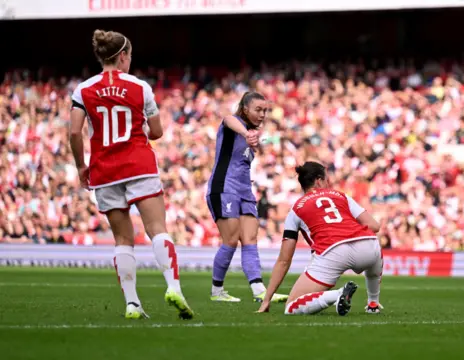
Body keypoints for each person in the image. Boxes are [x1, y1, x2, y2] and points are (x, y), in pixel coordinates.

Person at [69, 29, 194, 320]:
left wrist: (80, 166)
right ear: (122, 56)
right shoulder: (140, 87)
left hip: (105, 169)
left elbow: (75, 132)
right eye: (130, 57)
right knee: (157, 229)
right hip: (138, 165)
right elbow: (158, 132)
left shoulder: (82, 90)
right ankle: (174, 287)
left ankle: (132, 304)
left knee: (123, 239)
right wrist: (140, 130)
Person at [257, 161, 384, 315]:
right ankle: (373, 303)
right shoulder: (340, 195)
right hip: (368, 246)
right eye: (326, 180)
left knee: (291, 307)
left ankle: (337, 294)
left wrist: (267, 299)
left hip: (333, 251)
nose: (328, 183)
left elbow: (284, 260)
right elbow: (374, 226)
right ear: (318, 181)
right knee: (373, 245)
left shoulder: (296, 209)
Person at [206, 91, 288, 303]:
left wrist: (252, 136)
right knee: (231, 240)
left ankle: (259, 290)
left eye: (265, 110)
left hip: (244, 190)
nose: (262, 114)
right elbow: (227, 118)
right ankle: (217, 291)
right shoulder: (234, 126)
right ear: (245, 109)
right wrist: (246, 133)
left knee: (250, 239)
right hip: (224, 188)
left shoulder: (253, 134)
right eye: (258, 109)